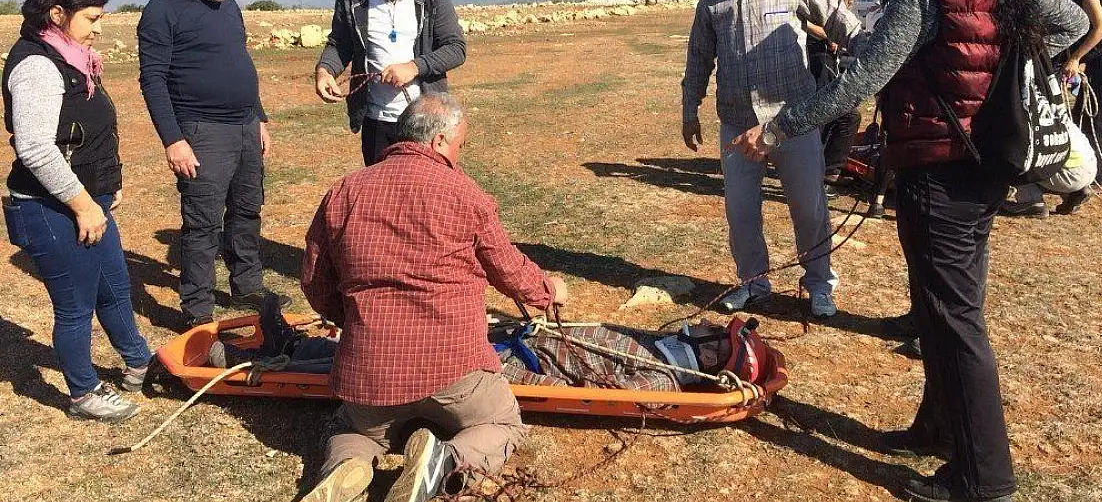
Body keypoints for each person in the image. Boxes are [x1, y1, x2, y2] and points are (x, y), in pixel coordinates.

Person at [731, 0, 1088, 500]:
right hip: (983, 166)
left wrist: (779, 127)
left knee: (953, 320)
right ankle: (938, 431)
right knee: (939, 308)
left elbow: (867, 71)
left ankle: (985, 480)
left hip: (939, 168)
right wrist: (1003, 86)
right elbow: (1068, 22)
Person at [300, 93, 568, 502]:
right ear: (440, 141)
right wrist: (548, 291)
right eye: (459, 145)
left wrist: (354, 318)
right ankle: (445, 460)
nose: (459, 155)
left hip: (370, 377)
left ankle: (346, 467)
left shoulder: (346, 191)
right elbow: (508, 269)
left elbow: (315, 282)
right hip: (455, 374)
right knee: (503, 424)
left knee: (351, 430)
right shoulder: (465, 193)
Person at [681, 0, 863, 317]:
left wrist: (870, 49)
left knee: (808, 207)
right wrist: (689, 107)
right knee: (741, 211)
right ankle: (753, 283)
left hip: (792, 120)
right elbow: (698, 58)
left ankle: (819, 284)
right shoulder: (712, 2)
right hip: (736, 123)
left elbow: (836, 15)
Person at [1, 0, 152, 423]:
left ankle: (139, 362)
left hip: (87, 198)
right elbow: (34, 148)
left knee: (113, 286)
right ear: (58, 13)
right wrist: (85, 204)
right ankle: (83, 394)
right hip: (50, 207)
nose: (100, 28)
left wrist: (110, 183)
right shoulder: (36, 67)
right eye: (92, 18)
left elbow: (93, 128)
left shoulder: (73, 58)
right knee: (75, 304)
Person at [138, 0, 289, 329]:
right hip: (201, 131)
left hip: (244, 127)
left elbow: (240, 59)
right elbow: (152, 81)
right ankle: (197, 308)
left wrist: (258, 116)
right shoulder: (162, 11)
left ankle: (247, 284)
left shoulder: (229, 4)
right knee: (203, 223)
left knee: (247, 210)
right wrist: (173, 140)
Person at [204, 293, 762, 395]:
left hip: (504, 360)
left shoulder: (653, 375)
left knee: (397, 357)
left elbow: (571, 380)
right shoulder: (653, 347)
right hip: (508, 341)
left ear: (713, 359)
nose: (707, 326)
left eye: (716, 334)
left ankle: (264, 358)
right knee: (400, 334)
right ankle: (287, 347)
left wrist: (504, 375)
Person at [315, 0, 467, 166]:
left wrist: (414, 67)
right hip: (376, 121)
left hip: (424, 121)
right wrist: (325, 71)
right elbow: (339, 44)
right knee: (380, 197)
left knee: (423, 197)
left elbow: (456, 48)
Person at [1004, 0, 1102, 216]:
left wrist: (1076, 58)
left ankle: (1094, 177)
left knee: (1094, 119)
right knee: (1077, 119)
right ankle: (1081, 182)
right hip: (1097, 58)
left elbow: (1100, 26)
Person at [808, 0, 865, 184]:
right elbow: (804, 22)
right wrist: (830, 35)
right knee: (834, 113)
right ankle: (825, 170)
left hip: (826, 58)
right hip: (818, 59)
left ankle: (827, 168)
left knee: (836, 113)